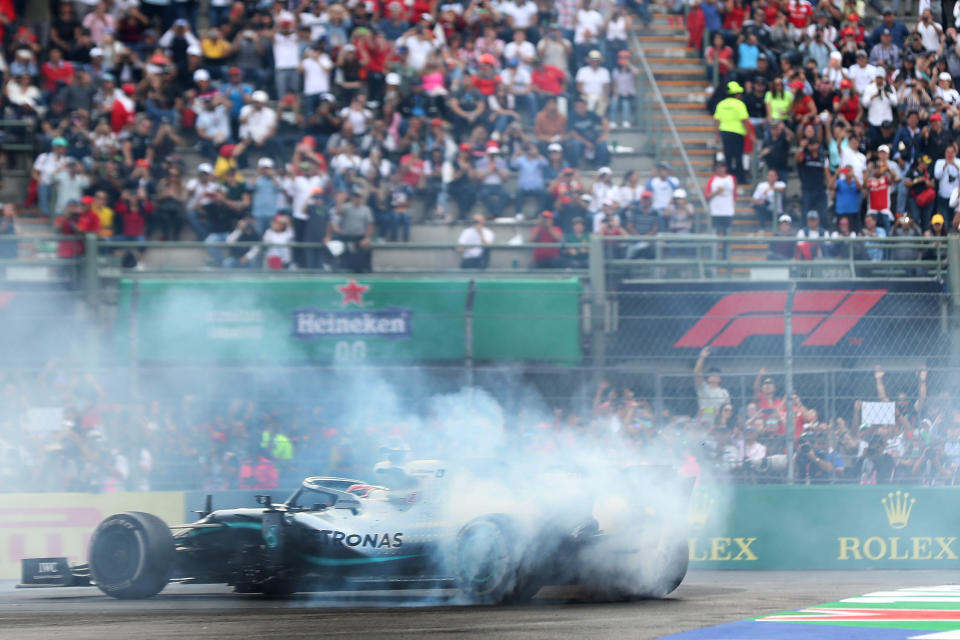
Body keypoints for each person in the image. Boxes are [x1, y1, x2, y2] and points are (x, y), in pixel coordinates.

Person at [713, 81, 751, 184]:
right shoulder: (739, 104)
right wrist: (750, 134)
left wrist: (717, 135)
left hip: (725, 132)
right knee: (738, 156)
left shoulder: (721, 104)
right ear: (736, 94)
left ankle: (729, 177)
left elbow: (717, 121)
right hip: (738, 133)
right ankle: (741, 179)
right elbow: (744, 120)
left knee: (728, 156)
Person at [332, 187, 374, 273]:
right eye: (355, 197)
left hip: (360, 236)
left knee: (366, 250)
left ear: (362, 198)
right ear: (352, 198)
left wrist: (366, 238)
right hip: (347, 236)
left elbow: (370, 225)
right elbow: (338, 212)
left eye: (358, 197)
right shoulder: (346, 207)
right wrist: (340, 200)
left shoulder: (366, 209)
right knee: (350, 251)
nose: (357, 199)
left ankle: (365, 272)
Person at [705, 160, 736, 255]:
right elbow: (707, 196)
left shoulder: (731, 178)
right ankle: (714, 256)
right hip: (716, 212)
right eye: (718, 167)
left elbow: (734, 194)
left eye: (722, 167)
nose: (720, 169)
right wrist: (716, 192)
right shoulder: (712, 180)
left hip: (727, 212)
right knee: (715, 237)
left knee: (727, 237)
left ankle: (726, 257)